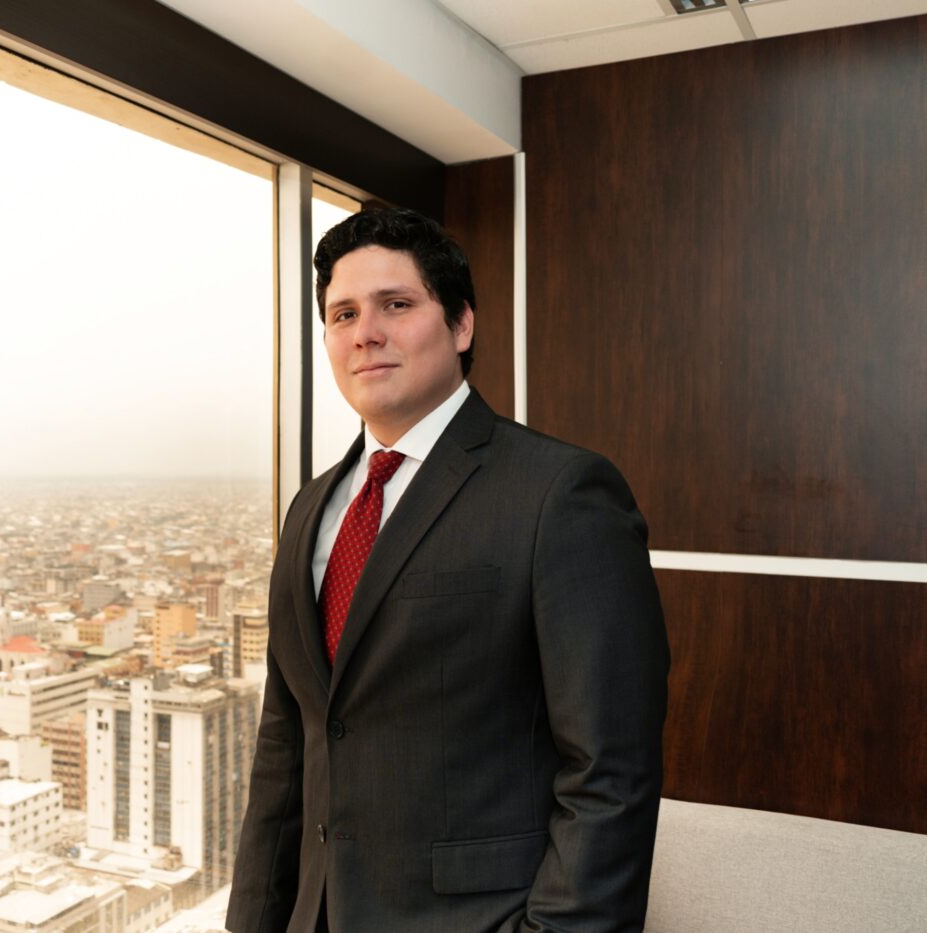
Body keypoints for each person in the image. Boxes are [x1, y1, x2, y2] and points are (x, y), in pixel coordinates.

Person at [225, 207, 670, 932]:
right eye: (343, 314)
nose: (365, 332)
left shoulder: (559, 494)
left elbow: (610, 770)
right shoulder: (310, 509)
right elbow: (286, 749)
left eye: (396, 305)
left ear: (461, 325)